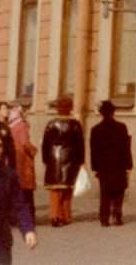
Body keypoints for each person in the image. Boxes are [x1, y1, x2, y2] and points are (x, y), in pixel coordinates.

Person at [0, 121, 36, 264]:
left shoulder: (9, 176)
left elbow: (19, 205)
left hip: (0, 239)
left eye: (0, 146)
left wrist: (28, 229)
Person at [41, 96, 85, 227]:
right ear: (70, 108)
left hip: (53, 159)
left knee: (54, 191)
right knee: (67, 190)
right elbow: (80, 144)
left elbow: (45, 144)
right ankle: (65, 216)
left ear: (58, 109)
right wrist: (81, 161)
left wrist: (45, 159)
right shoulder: (75, 124)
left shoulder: (51, 123)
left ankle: (54, 215)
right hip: (70, 159)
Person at [90, 100, 133, 227]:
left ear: (101, 113)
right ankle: (117, 217)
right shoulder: (121, 127)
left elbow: (94, 150)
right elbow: (126, 147)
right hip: (119, 164)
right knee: (119, 191)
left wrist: (95, 167)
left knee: (105, 192)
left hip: (103, 166)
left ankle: (104, 218)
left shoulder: (96, 129)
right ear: (113, 112)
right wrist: (129, 164)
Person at [7, 104, 36, 224]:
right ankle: (27, 217)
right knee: (26, 190)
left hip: (13, 159)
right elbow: (25, 143)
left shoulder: (10, 125)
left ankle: (13, 216)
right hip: (23, 160)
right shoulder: (22, 125)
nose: (27, 113)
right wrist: (33, 150)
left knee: (15, 189)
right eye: (25, 110)